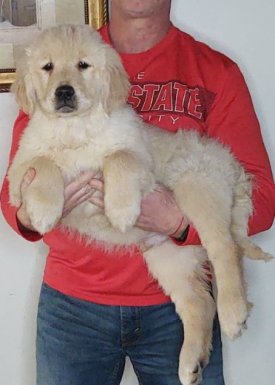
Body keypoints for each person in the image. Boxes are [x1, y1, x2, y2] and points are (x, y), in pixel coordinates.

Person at [1, 1, 275, 384]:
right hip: (72, 308)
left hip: (169, 311)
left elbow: (261, 201)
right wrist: (32, 210)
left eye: (81, 68)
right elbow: (14, 197)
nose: (67, 75)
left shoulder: (217, 73)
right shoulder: (64, 51)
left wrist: (177, 223)